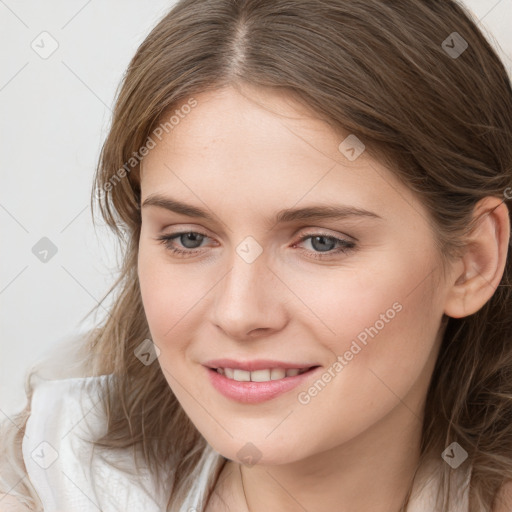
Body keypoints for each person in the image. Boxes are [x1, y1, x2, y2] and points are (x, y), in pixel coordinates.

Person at [2, 0, 512, 510]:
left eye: (321, 242)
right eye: (189, 238)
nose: (239, 313)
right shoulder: (51, 477)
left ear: (472, 261)